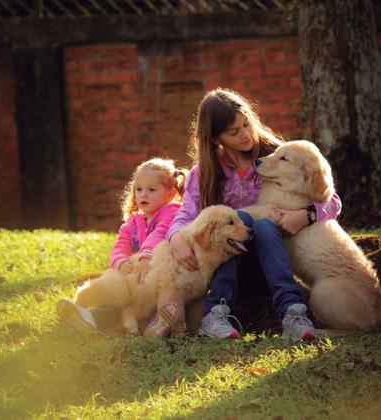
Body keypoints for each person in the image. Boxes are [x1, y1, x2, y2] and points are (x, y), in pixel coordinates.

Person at [166, 88, 342, 341]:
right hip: (228, 264)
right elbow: (185, 215)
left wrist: (307, 215)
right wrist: (176, 238)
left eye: (247, 124)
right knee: (237, 222)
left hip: (273, 257)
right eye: (234, 132)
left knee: (263, 226)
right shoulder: (203, 173)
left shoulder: (277, 156)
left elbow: (331, 199)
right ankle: (215, 315)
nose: (246, 135)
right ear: (216, 139)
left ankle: (293, 313)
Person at [57, 157, 186, 334]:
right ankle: (87, 316)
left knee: (141, 304)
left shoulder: (172, 212)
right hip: (134, 280)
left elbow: (160, 233)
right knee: (117, 301)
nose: (143, 194)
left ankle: (158, 323)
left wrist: (145, 255)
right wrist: (121, 262)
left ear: (170, 193)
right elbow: (120, 247)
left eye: (151, 189)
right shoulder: (132, 222)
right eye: (139, 189)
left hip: (158, 277)